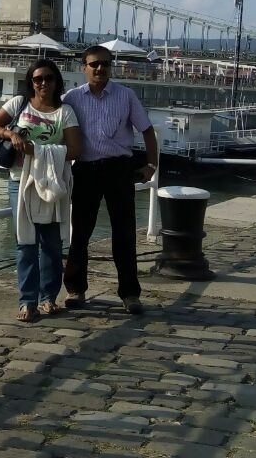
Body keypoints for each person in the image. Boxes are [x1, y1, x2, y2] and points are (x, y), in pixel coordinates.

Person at [61, 45, 159, 315]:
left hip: (119, 169)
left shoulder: (125, 96)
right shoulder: (71, 98)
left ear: (110, 66)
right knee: (80, 233)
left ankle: (130, 294)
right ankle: (75, 290)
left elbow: (148, 130)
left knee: (124, 234)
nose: (100, 68)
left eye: (105, 63)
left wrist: (151, 165)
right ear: (84, 67)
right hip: (86, 169)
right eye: (94, 64)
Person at [0, 58, 82, 322]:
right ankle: (28, 301)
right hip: (20, 181)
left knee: (50, 244)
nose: (43, 83)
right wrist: (10, 135)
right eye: (38, 79)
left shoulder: (65, 112)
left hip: (51, 182)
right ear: (31, 82)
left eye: (49, 78)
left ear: (56, 82)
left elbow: (75, 150)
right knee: (25, 243)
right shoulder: (19, 104)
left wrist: (36, 151)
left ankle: (48, 298)